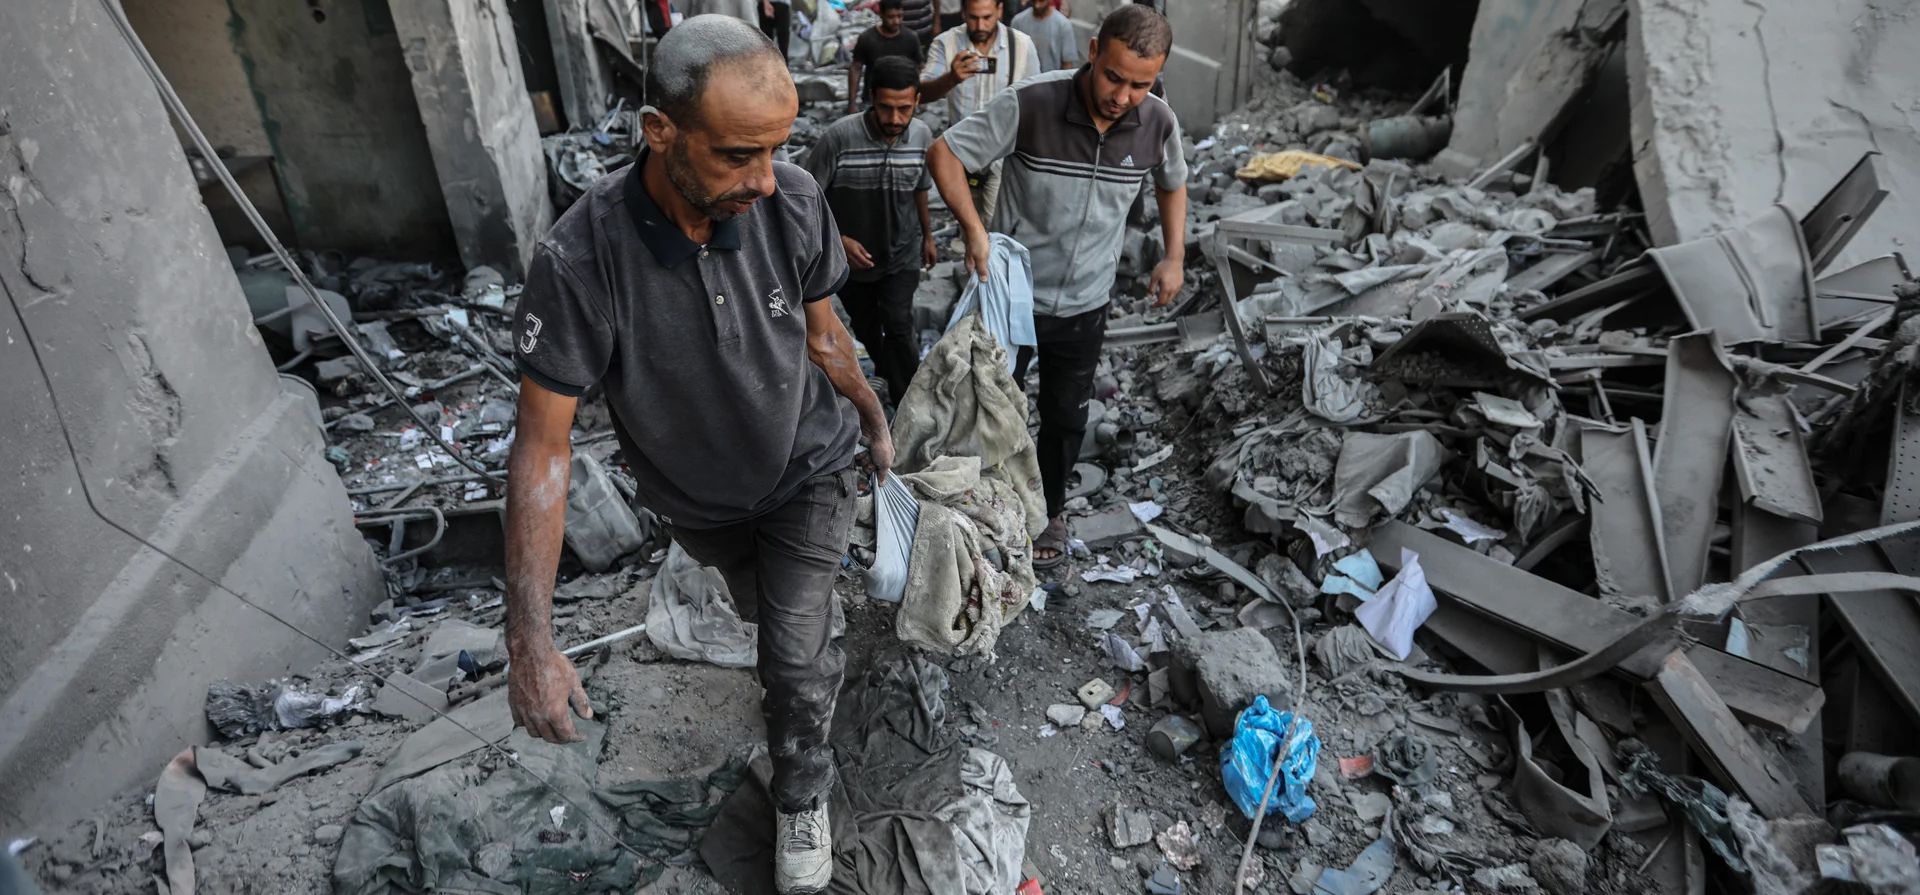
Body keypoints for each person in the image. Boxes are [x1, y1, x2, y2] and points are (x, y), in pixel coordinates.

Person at [505, 16, 887, 895]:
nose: (765, 178)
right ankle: (811, 661)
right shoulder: (578, 261)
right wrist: (532, 642)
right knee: (780, 628)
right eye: (736, 156)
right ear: (660, 133)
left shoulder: (789, 196)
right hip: (703, 509)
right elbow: (544, 450)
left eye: (777, 149)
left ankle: (801, 791)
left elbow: (826, 339)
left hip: (809, 465)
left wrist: (870, 412)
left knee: (790, 659)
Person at [926, 4, 1186, 569]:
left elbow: (1172, 182)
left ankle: (1049, 510)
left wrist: (1174, 254)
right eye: (1114, 76)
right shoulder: (1032, 103)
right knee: (995, 409)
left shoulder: (1158, 121)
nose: (1122, 96)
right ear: (1092, 52)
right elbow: (943, 153)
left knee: (1067, 415)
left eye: (1140, 84)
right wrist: (974, 232)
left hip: (1087, 302)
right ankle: (988, 506)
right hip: (1013, 297)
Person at [805, 56, 937, 406]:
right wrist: (838, 241)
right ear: (871, 98)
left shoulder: (922, 136)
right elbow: (807, 200)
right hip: (851, 263)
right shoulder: (839, 138)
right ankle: (885, 374)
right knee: (865, 327)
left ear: (917, 102)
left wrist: (927, 234)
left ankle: (910, 402)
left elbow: (921, 188)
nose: (895, 119)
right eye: (886, 108)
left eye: (904, 109)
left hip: (902, 253)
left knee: (898, 324)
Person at [919, 0, 1038, 224]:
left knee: (995, 232)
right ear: (963, 12)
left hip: (1003, 158)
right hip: (961, 158)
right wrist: (951, 79)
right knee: (968, 231)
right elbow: (921, 93)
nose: (980, 26)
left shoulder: (1022, 46)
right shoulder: (947, 43)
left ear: (999, 11)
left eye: (987, 17)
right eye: (973, 18)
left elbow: (1035, 104)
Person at [848, 0, 924, 114]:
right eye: (891, 17)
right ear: (881, 15)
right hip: (873, 100)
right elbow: (855, 69)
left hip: (903, 99)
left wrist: (921, 98)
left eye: (900, 16)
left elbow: (919, 68)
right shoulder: (867, 38)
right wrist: (852, 103)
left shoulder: (911, 38)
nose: (896, 21)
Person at [1011, 0, 1080, 71]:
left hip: (1051, 80)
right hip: (1024, 80)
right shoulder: (1018, 22)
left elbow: (1067, 64)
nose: (1037, 5)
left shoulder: (1063, 25)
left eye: (1041, 1)